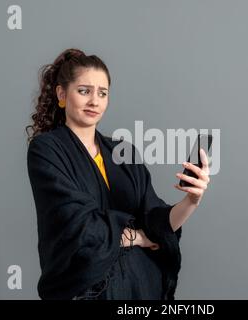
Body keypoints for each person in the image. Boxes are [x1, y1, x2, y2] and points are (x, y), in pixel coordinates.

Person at [25, 48, 211, 300]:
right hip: (88, 292)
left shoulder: (123, 152)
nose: (94, 101)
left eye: (102, 93)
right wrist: (139, 236)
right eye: (84, 91)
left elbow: (157, 222)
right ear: (61, 94)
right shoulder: (47, 150)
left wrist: (191, 200)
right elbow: (78, 227)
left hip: (143, 290)